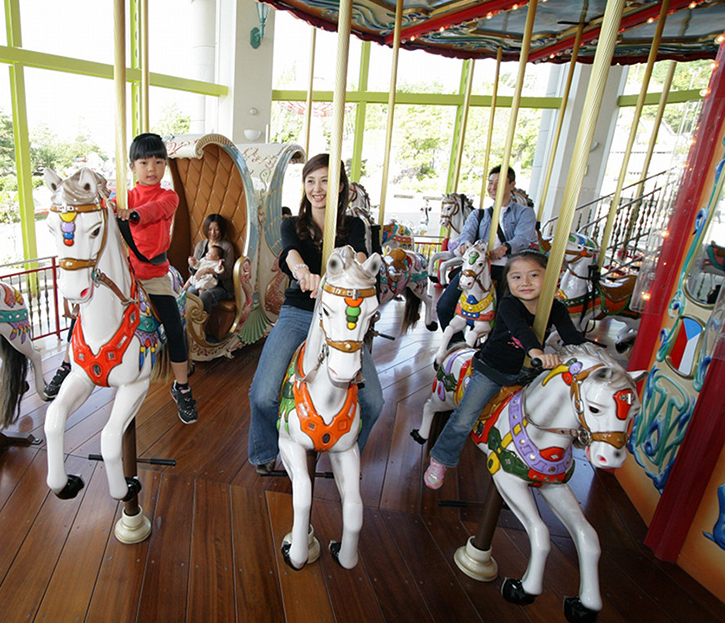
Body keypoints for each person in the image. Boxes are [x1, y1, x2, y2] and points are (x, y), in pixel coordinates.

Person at [248, 153, 384, 475]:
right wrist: (304, 273)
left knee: (373, 402)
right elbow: (290, 254)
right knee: (262, 393)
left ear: (340, 186)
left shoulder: (353, 225)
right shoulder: (291, 224)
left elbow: (360, 256)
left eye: (325, 180)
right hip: (301, 311)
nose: (317, 188)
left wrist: (356, 269)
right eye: (311, 180)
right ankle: (264, 450)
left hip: (340, 320)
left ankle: (345, 454)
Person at [424, 250, 587, 489]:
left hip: (530, 373)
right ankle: (441, 458)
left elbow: (572, 337)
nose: (525, 282)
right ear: (508, 282)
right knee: (465, 416)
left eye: (533, 275)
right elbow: (520, 330)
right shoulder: (510, 305)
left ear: (552, 277)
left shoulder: (556, 308)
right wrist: (536, 352)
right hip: (494, 369)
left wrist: (593, 354)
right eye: (517, 277)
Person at [116, 133, 197, 424]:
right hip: (124, 278)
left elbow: (155, 212)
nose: (152, 168)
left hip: (153, 277)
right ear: (132, 166)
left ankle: (183, 387)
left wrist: (133, 214)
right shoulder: (121, 198)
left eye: (159, 161)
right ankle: (67, 364)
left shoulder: (168, 196)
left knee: (174, 328)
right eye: (144, 161)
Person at [436, 165, 537, 331]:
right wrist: (465, 245)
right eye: (490, 183)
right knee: (444, 306)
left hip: (506, 268)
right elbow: (466, 233)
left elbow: (522, 238)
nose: (493, 187)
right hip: (479, 267)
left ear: (512, 185)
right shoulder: (479, 214)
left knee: (505, 315)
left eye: (499, 182)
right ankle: (458, 348)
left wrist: (504, 248)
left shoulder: (524, 213)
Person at [186, 213, 235, 313]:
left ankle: (202, 325)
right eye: (210, 229)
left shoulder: (227, 247)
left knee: (205, 295)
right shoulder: (200, 245)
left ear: (221, 230)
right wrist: (192, 265)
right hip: (201, 282)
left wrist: (208, 270)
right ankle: (189, 324)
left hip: (221, 286)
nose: (213, 233)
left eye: (216, 229)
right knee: (190, 292)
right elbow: (194, 272)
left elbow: (227, 274)